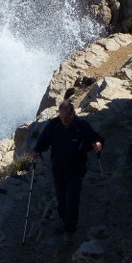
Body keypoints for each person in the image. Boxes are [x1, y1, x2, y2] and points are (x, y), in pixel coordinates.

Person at [31, 101, 104, 241]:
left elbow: (95, 137)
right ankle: (64, 221)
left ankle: (70, 229)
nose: (64, 121)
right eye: (62, 117)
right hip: (58, 168)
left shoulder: (81, 125)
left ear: (73, 114)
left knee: (72, 197)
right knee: (61, 198)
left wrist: (98, 143)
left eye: (67, 118)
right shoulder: (54, 124)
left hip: (77, 168)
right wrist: (37, 150)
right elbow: (43, 140)